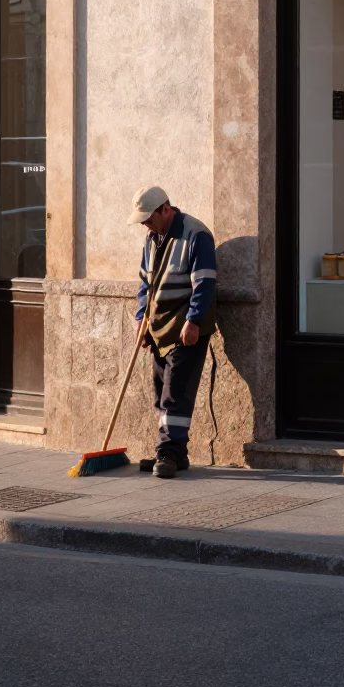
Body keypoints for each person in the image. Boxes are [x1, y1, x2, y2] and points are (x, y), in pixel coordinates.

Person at [128, 186, 217, 478]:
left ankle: (166, 453)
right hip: (158, 327)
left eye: (148, 217)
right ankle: (175, 453)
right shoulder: (152, 239)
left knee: (175, 393)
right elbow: (146, 284)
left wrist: (193, 321)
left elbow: (204, 284)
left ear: (165, 209)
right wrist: (142, 318)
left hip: (185, 326)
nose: (144, 223)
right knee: (160, 391)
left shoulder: (196, 234)